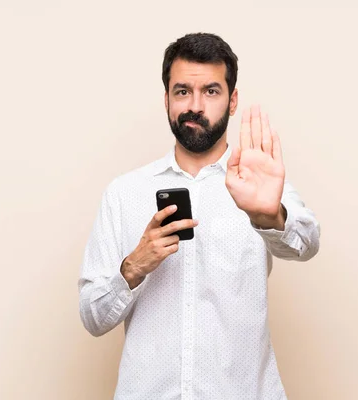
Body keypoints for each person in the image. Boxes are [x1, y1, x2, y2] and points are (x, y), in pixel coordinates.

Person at [78, 32, 321, 400]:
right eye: (182, 92)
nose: (195, 105)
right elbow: (93, 318)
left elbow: (306, 243)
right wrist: (133, 267)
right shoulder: (124, 193)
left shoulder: (256, 182)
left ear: (232, 99)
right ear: (166, 100)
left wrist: (270, 215)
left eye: (210, 91)